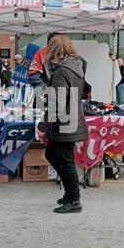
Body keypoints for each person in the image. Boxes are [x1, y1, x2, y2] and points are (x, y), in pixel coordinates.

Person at [37, 35, 88, 214]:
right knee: (52, 154)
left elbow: (56, 104)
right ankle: (70, 192)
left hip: (65, 121)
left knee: (65, 161)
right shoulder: (76, 67)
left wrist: (42, 126)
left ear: (54, 50)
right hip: (70, 119)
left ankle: (74, 199)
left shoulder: (61, 71)